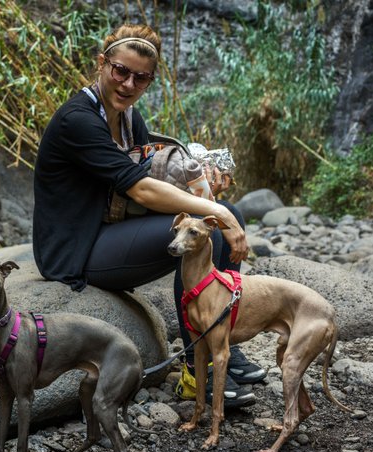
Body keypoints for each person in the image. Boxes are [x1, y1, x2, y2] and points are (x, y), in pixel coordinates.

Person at [32, 23, 265, 407]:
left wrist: (208, 194)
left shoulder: (127, 117)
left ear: (150, 80)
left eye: (140, 78)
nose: (127, 84)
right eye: (120, 71)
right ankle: (196, 367)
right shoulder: (79, 119)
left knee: (222, 219)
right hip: (76, 249)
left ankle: (220, 340)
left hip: (111, 228)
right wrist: (214, 210)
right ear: (102, 63)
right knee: (216, 228)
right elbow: (139, 189)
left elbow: (149, 180)